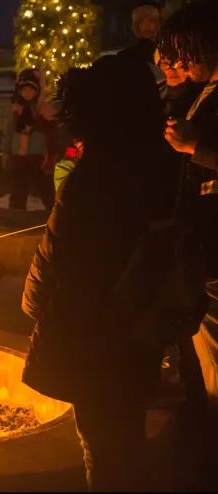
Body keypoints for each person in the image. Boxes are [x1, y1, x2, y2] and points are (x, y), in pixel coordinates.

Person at [22, 53, 183, 491]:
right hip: (139, 326)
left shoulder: (95, 175)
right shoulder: (165, 162)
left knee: (102, 443)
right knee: (127, 434)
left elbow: (61, 251)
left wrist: (34, 300)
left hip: (92, 330)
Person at [160, 2, 218, 488]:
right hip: (201, 250)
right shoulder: (203, 92)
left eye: (182, 52)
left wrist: (195, 147)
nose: (178, 64)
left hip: (215, 253)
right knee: (198, 364)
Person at [0, 68, 57, 211]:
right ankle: (16, 214)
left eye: (31, 90)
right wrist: (5, 151)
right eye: (24, 90)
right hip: (18, 155)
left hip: (37, 155)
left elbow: (52, 134)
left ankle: (55, 214)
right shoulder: (15, 110)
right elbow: (8, 131)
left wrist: (51, 154)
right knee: (18, 188)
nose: (27, 93)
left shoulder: (44, 110)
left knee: (45, 187)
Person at [119, 1, 164, 84]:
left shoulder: (166, 50)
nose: (146, 25)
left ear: (158, 23)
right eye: (141, 22)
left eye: (151, 21)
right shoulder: (129, 55)